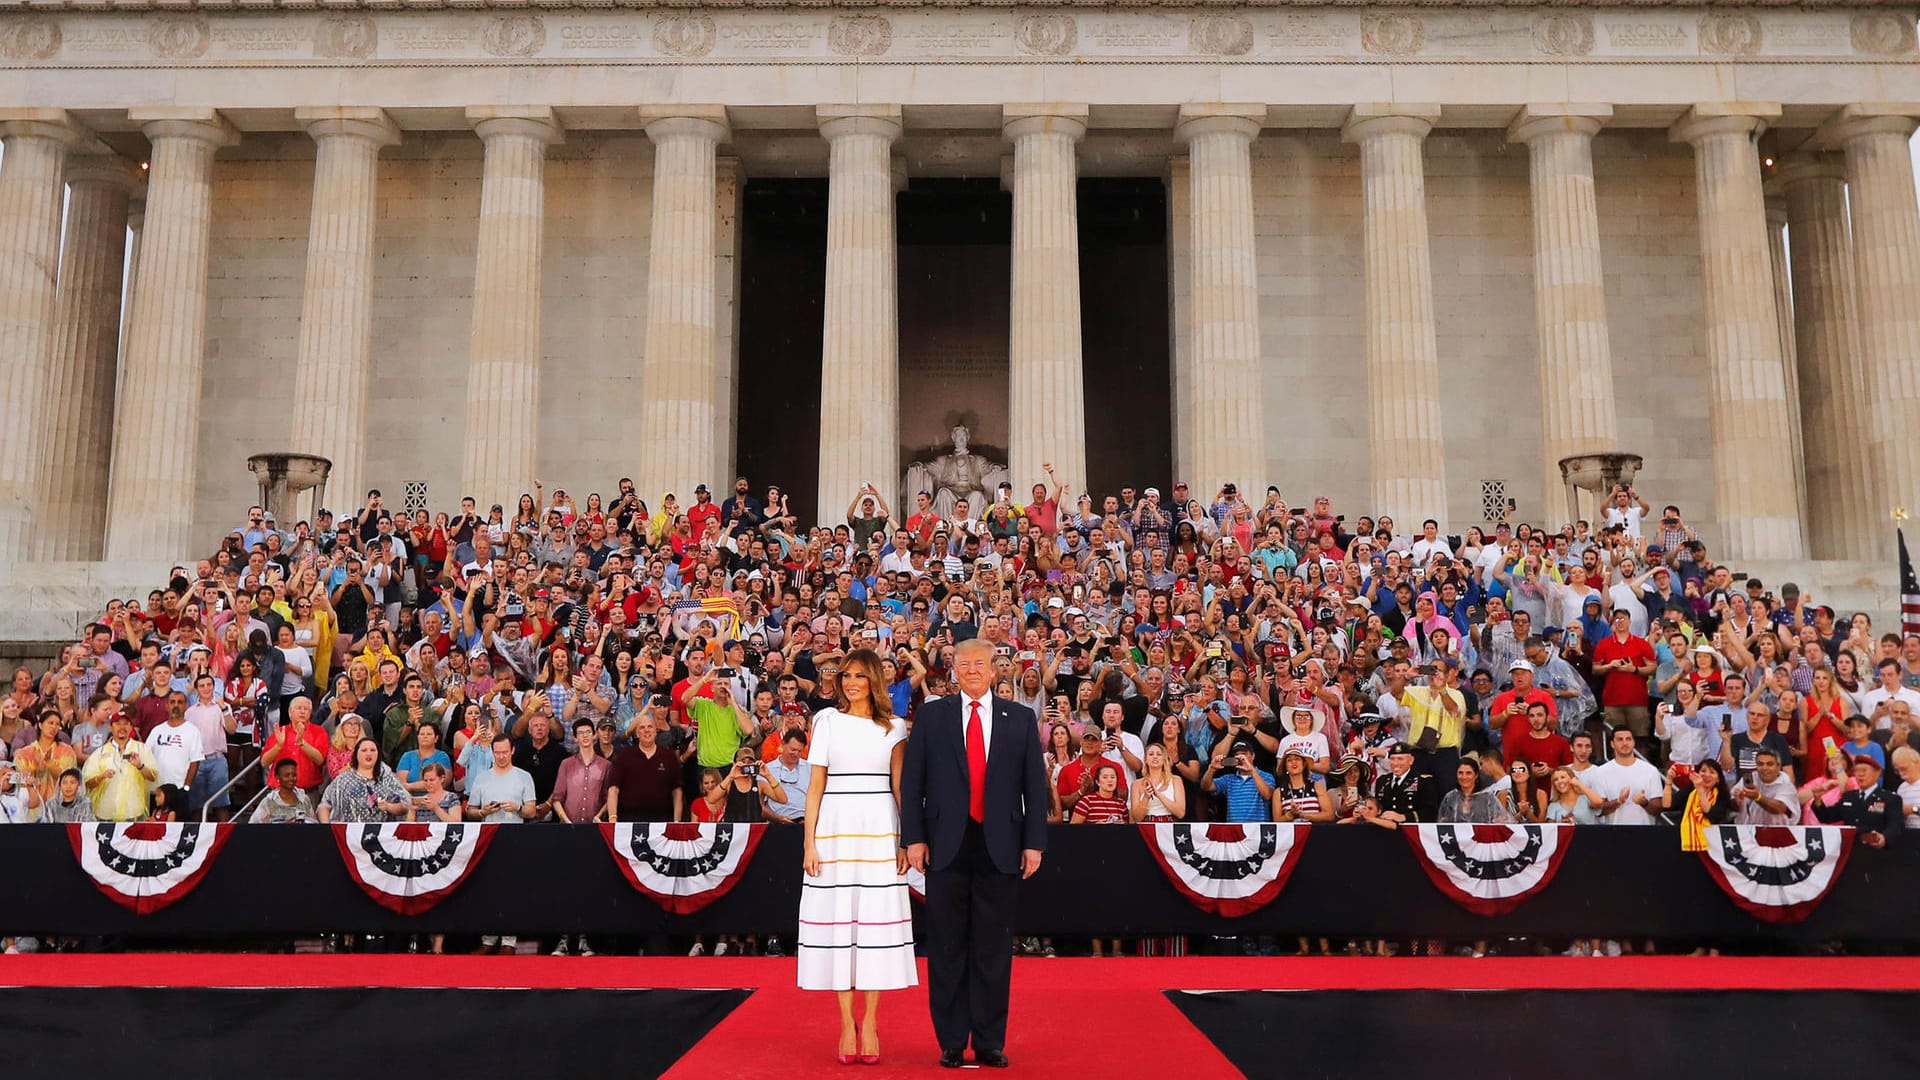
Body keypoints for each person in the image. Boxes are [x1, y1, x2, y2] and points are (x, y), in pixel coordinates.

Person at [900, 636, 1049, 1071]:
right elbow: (914, 784)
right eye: (963, 664)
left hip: (1001, 847)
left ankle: (988, 1040)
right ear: (953, 670)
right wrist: (914, 838)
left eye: (979, 664)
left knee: (993, 948)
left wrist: (1034, 842)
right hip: (944, 845)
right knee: (946, 947)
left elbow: (1033, 789)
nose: (971, 671)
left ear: (993, 668)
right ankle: (950, 1041)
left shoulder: (1020, 719)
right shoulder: (931, 716)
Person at [800, 647, 916, 1065]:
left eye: (858, 677)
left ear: (874, 682)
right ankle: (847, 1022)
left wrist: (906, 839)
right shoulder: (826, 720)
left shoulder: (896, 727)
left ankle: (871, 1022)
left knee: (874, 929)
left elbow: (901, 787)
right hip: (834, 829)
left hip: (880, 831)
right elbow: (815, 788)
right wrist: (809, 843)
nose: (849, 683)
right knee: (839, 927)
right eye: (845, 675)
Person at [1809, 753, 1903, 848]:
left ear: (1877, 773)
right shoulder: (1849, 796)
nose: (1860, 774)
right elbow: (1826, 817)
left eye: (1864, 770)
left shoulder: (1890, 798)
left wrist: (1884, 838)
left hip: (1874, 852)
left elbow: (1895, 825)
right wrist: (1817, 799)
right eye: (1857, 771)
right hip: (1848, 851)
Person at [80, 710, 156, 821]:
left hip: (133, 811)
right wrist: (102, 776)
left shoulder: (142, 749)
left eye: (126, 724)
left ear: (131, 727)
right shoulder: (100, 752)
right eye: (118, 724)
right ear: (110, 728)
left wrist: (140, 766)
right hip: (106, 812)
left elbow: (153, 777)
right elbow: (87, 783)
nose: (122, 727)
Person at [317, 736, 412, 824]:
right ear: (356, 754)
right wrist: (328, 829)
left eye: (372, 750)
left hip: (382, 836)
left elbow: (405, 805)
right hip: (347, 836)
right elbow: (324, 806)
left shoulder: (388, 779)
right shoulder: (342, 780)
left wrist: (388, 806)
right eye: (364, 750)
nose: (368, 753)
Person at [1586, 727, 1665, 825]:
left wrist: (1644, 803)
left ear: (1633, 742)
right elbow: (1598, 810)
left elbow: (1658, 809)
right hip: (1613, 834)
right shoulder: (1600, 772)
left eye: (1628, 739)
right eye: (1620, 739)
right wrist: (1618, 801)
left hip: (1644, 833)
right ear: (1612, 744)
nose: (1625, 743)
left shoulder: (1651, 770)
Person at [1437, 759, 1512, 823]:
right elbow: (1441, 822)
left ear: (1476, 776)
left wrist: (1499, 821)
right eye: (1460, 773)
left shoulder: (1488, 798)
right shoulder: (1450, 797)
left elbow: (1505, 820)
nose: (1464, 777)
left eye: (1468, 773)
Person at [250, 758, 317, 823]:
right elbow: (253, 824)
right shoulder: (269, 802)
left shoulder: (304, 799)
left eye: (294, 775)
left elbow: (313, 824)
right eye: (287, 775)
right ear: (277, 777)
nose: (291, 778)